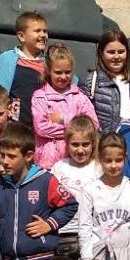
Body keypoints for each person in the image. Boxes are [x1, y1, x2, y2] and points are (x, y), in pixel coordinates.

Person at [0, 121, 78, 260]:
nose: (5, 161)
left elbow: (70, 204)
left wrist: (49, 224)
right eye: (2, 155)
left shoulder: (45, 181)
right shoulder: (1, 187)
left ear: (28, 156)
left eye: (12, 156)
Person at [31, 42, 99, 170]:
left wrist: (64, 119)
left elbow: (93, 125)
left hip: (74, 162)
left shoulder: (80, 97)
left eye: (67, 72)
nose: (63, 77)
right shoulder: (40, 96)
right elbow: (41, 127)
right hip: (47, 163)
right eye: (58, 72)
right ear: (48, 71)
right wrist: (78, 127)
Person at [50, 115, 101, 260]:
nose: (80, 150)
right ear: (67, 143)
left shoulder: (98, 168)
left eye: (85, 144)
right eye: (75, 144)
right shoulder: (59, 167)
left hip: (92, 233)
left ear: (93, 144)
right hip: (65, 233)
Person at [82, 27, 130, 134]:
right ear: (101, 53)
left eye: (121, 52)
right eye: (111, 52)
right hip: (105, 141)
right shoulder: (90, 82)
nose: (116, 56)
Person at [0, 10, 50, 125]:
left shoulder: (50, 62)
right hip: (14, 124)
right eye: (37, 31)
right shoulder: (7, 59)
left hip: (41, 124)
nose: (43, 35)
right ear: (22, 36)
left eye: (45, 31)